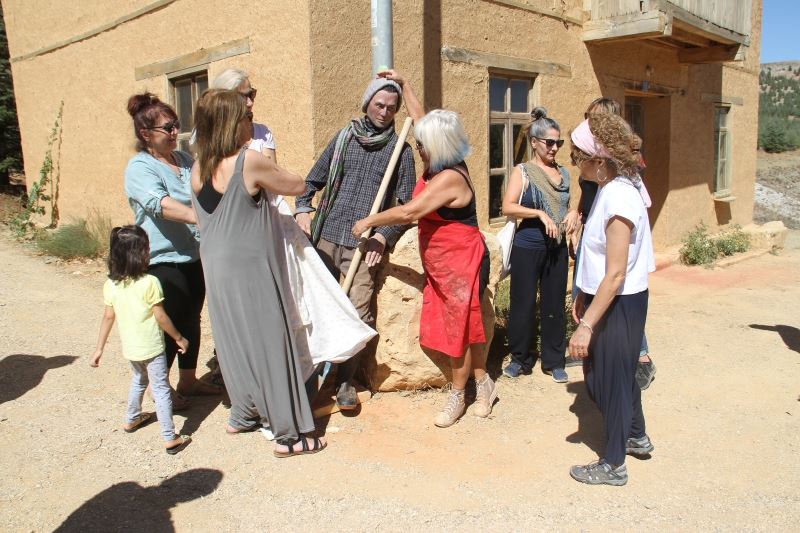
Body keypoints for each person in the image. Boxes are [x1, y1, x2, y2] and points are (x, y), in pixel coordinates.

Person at [191, 89, 325, 457]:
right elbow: (296, 184)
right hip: (249, 264)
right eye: (244, 115)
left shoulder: (197, 167)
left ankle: (243, 412)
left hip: (215, 265)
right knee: (269, 341)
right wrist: (269, 159)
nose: (250, 121)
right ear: (230, 122)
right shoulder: (247, 161)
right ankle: (289, 434)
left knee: (233, 338)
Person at [352, 103, 495, 428]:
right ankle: (484, 384)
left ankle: (458, 395)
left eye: (421, 143)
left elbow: (409, 212)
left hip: (462, 261)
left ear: (438, 146)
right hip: (444, 263)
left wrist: (370, 221)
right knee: (469, 326)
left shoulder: (449, 177)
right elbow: (420, 118)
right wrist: (405, 87)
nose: (417, 147)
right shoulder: (440, 162)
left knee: (458, 330)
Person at [295, 76, 416, 410]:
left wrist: (383, 235)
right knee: (314, 306)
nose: (385, 112)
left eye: (392, 108)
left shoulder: (401, 150)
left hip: (363, 245)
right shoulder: (344, 137)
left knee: (357, 311)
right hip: (325, 237)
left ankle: (345, 381)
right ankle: (310, 373)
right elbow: (311, 181)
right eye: (379, 105)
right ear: (367, 104)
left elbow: (406, 207)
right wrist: (303, 209)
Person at [567, 113, 655, 486]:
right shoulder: (612, 188)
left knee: (609, 382)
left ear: (599, 161)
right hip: (608, 300)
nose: (575, 162)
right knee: (610, 378)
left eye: (579, 155)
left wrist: (587, 326)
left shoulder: (619, 195)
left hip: (619, 304)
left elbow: (616, 272)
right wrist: (585, 295)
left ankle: (614, 464)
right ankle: (635, 435)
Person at [124, 93, 220, 408]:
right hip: (162, 258)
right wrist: (198, 217)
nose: (175, 132)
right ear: (145, 134)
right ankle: (160, 387)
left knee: (192, 317)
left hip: (193, 253)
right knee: (169, 323)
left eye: (176, 125)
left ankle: (189, 380)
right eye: (167, 128)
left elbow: (204, 188)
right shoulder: (139, 167)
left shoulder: (184, 160)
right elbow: (159, 204)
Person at [570, 98, 656, 389]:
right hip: (594, 225)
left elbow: (629, 196)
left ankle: (639, 355)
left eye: (595, 118)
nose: (589, 122)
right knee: (591, 291)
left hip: (612, 228)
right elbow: (586, 191)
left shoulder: (617, 169)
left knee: (619, 294)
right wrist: (578, 213)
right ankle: (596, 349)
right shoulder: (589, 158)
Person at [89, 225, 191, 455]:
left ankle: (132, 418)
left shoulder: (111, 284)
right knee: (162, 389)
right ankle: (169, 436)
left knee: (138, 380)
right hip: (152, 349)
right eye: (146, 248)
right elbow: (161, 316)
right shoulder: (149, 283)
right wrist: (179, 338)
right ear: (140, 254)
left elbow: (108, 316)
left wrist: (98, 349)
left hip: (131, 348)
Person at [501, 107, 577, 383]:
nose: (555, 148)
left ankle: (554, 360)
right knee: (522, 304)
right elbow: (508, 206)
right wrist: (538, 213)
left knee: (555, 303)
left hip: (555, 248)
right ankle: (520, 358)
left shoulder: (565, 174)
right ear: (534, 142)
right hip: (528, 245)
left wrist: (572, 215)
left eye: (559, 143)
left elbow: (567, 206)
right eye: (549, 143)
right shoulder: (523, 172)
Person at [210, 68, 277, 163]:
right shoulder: (211, 138)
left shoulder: (263, 133)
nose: (250, 103)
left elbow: (272, 174)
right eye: (242, 97)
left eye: (251, 94)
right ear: (223, 101)